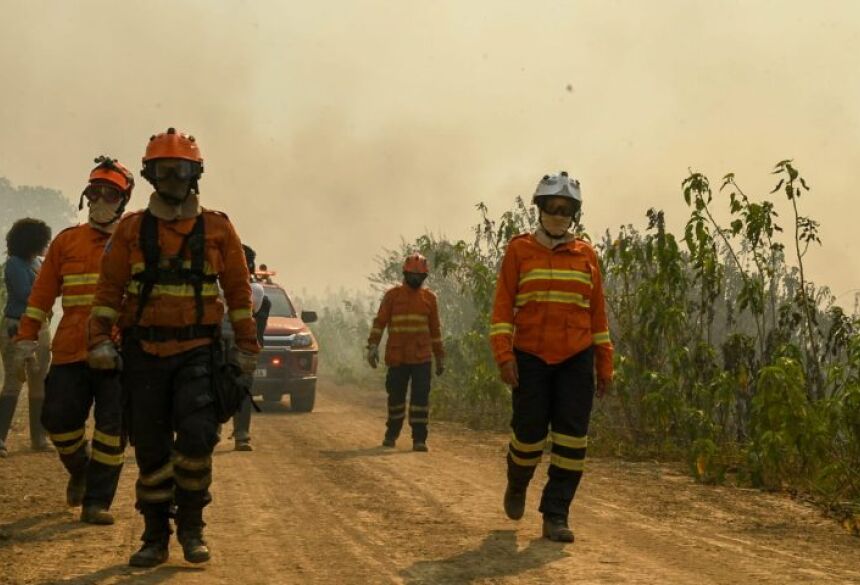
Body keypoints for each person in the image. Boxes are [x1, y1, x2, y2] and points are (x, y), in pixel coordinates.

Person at [87, 128, 260, 567]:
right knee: (150, 447)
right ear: (150, 175)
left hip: (198, 352)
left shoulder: (218, 227)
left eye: (181, 170)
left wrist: (246, 351)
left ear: (195, 173)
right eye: (164, 171)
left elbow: (239, 295)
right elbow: (108, 293)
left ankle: (192, 527)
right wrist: (99, 342)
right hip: (144, 353)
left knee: (199, 438)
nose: (173, 179)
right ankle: (154, 535)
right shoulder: (131, 230)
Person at [489, 171, 613, 543]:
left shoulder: (587, 255)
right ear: (540, 209)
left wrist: (604, 364)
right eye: (553, 208)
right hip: (530, 357)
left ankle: (556, 514)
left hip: (576, 358)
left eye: (566, 209)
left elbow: (598, 318)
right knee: (528, 436)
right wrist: (504, 355)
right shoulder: (519, 251)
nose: (559, 215)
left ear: (575, 213)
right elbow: (501, 310)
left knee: (572, 441)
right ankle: (517, 480)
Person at [16, 157, 134, 523]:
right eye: (93, 193)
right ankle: (80, 470)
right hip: (71, 350)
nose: (100, 200)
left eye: (109, 194)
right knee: (57, 418)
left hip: (120, 352)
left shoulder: (136, 241)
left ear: (123, 200)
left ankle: (97, 501)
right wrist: (26, 338)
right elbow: (40, 297)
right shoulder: (67, 242)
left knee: (112, 429)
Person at [366, 252, 444, 452]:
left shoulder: (430, 299)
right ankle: (391, 434)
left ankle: (419, 439)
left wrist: (440, 357)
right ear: (405, 274)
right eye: (413, 275)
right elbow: (380, 322)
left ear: (425, 277)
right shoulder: (392, 296)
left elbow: (435, 331)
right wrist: (372, 346)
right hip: (397, 357)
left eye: (420, 276)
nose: (416, 279)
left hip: (422, 358)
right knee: (396, 399)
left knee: (420, 400)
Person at [0, 218, 52, 456]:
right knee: (13, 381)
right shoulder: (14, 264)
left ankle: (38, 438)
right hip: (18, 327)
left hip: (40, 326)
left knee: (38, 381)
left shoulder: (37, 264)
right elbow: (26, 294)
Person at [228, 244, 268, 451]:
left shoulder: (212, 284)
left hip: (220, 346)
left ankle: (214, 431)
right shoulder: (257, 291)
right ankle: (242, 435)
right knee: (242, 389)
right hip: (243, 346)